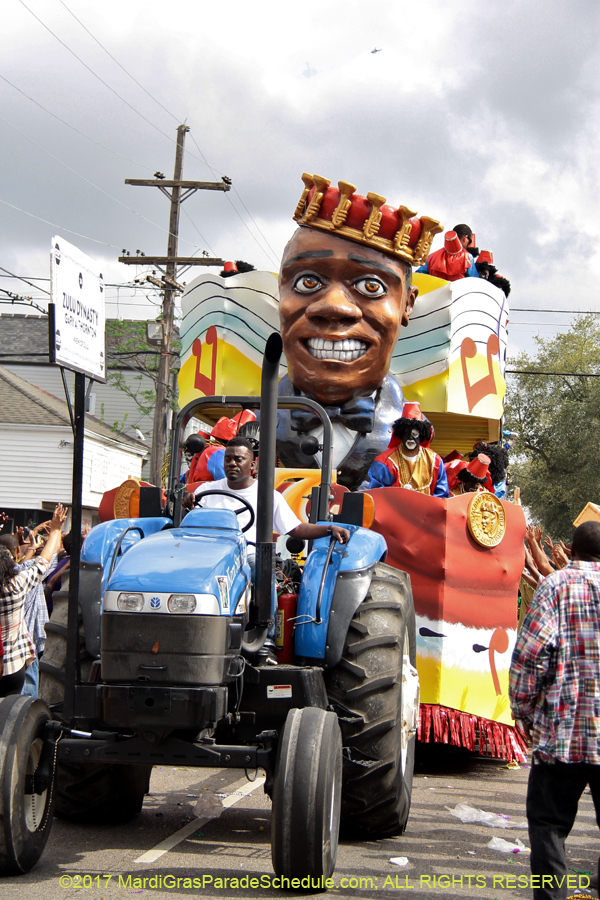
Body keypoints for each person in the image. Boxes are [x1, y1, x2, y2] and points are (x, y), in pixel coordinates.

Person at [274, 172, 443, 490]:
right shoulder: (257, 429)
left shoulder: (413, 446)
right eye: (307, 281)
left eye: (370, 285)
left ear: (407, 304)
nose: (335, 306)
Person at [509, 520, 600, 900]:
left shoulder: (555, 587)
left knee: (549, 826)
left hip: (560, 736)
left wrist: (524, 713)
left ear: (573, 551)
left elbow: (530, 657)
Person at [0, 504, 67, 697]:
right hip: (13, 667)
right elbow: (44, 561)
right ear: (13, 561)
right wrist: (55, 530)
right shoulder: (17, 584)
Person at [367, 402, 450, 497]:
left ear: (422, 435)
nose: (410, 438)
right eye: (406, 434)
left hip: (426, 511)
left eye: (415, 434)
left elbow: (442, 496)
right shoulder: (384, 463)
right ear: (401, 435)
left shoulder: (435, 461)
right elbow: (377, 496)